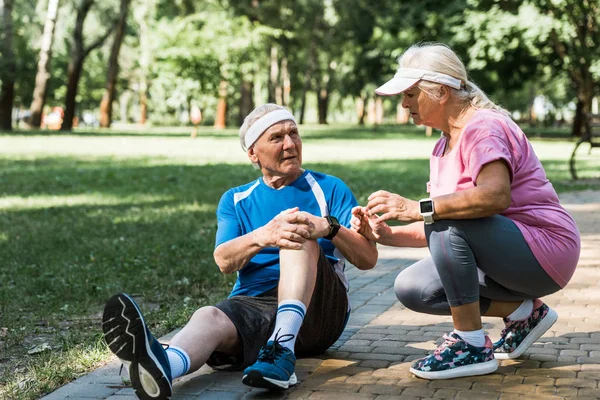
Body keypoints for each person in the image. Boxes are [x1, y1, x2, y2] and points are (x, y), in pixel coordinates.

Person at [102, 103, 378, 399]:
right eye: (276, 138)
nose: (290, 144)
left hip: (320, 310)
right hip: (255, 304)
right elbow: (223, 259)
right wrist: (265, 235)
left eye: (294, 134)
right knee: (209, 316)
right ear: (252, 154)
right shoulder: (235, 199)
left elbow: (368, 258)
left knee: (296, 234)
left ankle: (281, 349)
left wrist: (327, 227)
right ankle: (162, 368)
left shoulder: (329, 188)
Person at [351, 43, 580, 380]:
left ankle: (470, 345)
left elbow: (494, 197)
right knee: (413, 287)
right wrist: (387, 235)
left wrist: (417, 208)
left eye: (411, 94)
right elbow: (443, 227)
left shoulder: (482, 127)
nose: (404, 104)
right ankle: (523, 313)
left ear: (440, 92)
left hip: (547, 249)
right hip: (507, 253)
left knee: (443, 218)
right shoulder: (443, 144)